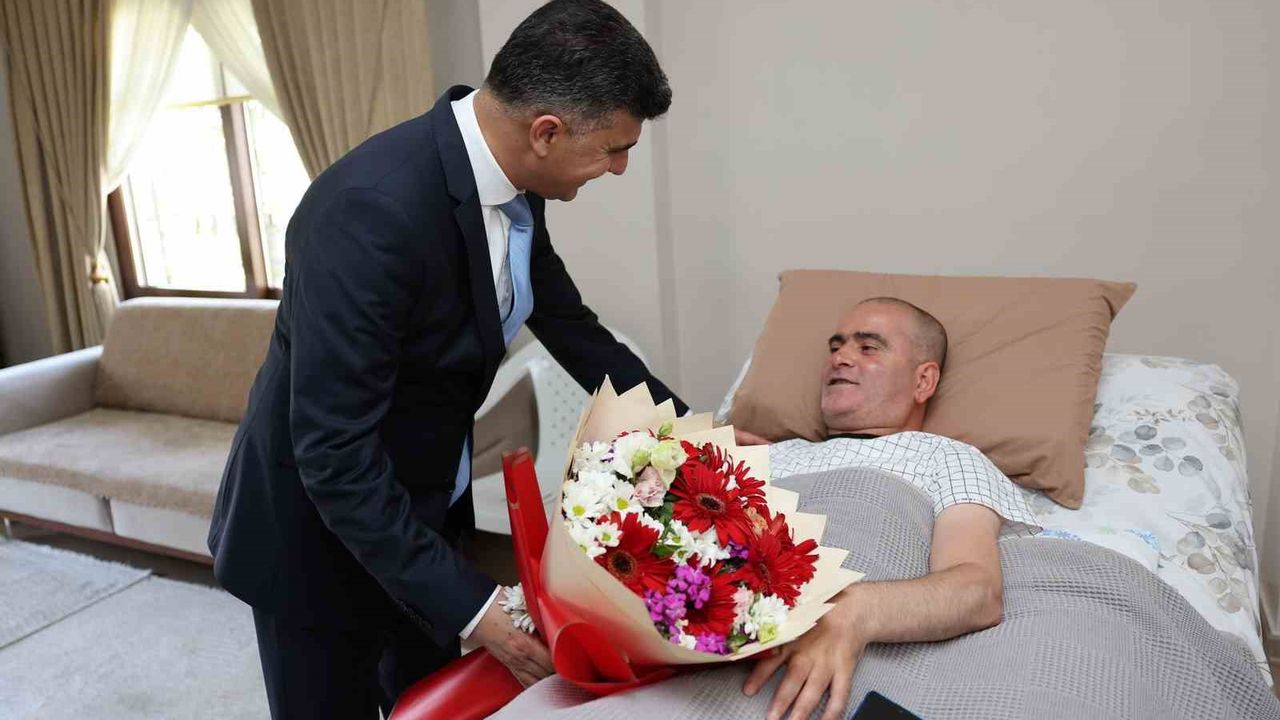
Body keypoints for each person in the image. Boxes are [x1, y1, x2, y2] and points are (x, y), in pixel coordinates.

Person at [205, 1, 687, 717]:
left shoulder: (516, 183)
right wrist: (477, 609)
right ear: (546, 132)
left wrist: (693, 434)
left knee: (429, 703)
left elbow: (573, 330)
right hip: (315, 541)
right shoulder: (368, 212)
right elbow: (334, 456)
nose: (618, 168)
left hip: (424, 510)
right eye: (614, 149)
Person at [737, 297, 1038, 720]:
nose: (840, 358)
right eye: (836, 347)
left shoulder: (946, 457)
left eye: (867, 347)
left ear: (923, 381)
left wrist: (853, 610)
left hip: (843, 640)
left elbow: (977, 592)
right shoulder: (771, 456)